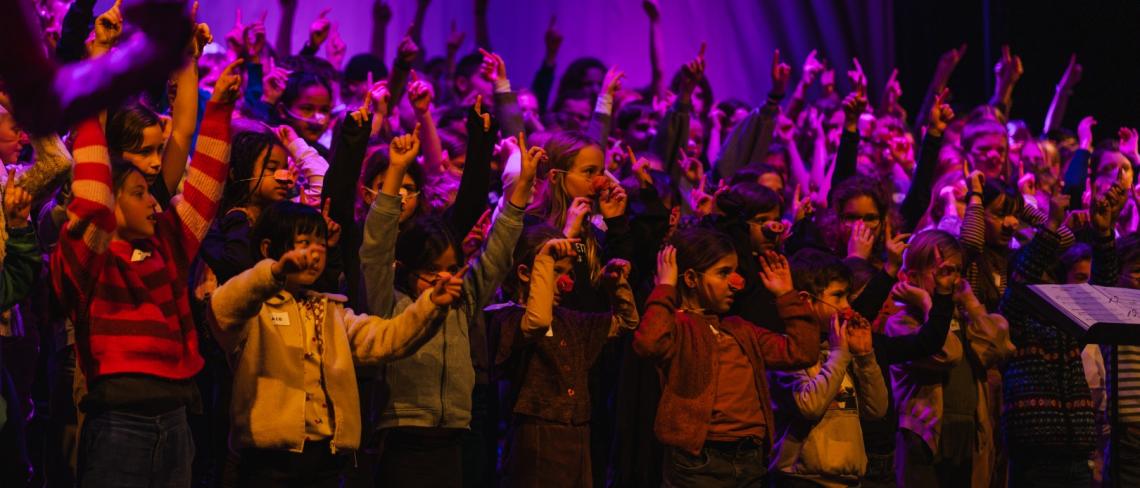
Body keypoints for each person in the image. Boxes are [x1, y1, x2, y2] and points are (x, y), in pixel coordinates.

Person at [50, 62, 238, 488]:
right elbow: (91, 195)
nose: (155, 202)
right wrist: (96, 73)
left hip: (175, 421)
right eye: (139, 194)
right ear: (112, 203)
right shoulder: (90, 262)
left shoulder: (166, 245)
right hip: (120, 426)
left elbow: (205, 189)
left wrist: (219, 109)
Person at [207, 199, 463, 487]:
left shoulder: (331, 312)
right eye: (304, 243)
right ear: (268, 248)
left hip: (325, 464)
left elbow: (387, 338)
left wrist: (432, 305)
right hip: (268, 464)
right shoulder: (254, 311)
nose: (315, 253)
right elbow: (222, 308)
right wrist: (274, 271)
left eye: (321, 245)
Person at [362, 128, 543, 487]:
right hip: (402, 437)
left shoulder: (462, 301)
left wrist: (520, 191)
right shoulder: (388, 302)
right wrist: (396, 171)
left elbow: (497, 252)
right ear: (408, 269)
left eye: (451, 268)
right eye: (432, 271)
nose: (444, 278)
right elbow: (376, 248)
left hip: (455, 436)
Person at [633, 228, 818, 486]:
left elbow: (802, 351)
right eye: (723, 273)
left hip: (750, 458)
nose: (735, 282)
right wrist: (665, 287)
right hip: (700, 462)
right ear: (691, 278)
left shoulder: (740, 329)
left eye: (735, 272)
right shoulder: (678, 327)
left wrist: (786, 295)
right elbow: (648, 343)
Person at [492, 225, 639, 487]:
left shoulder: (569, 320)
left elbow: (626, 322)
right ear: (525, 273)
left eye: (568, 273)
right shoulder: (508, 317)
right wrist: (544, 260)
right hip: (538, 435)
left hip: (578, 434)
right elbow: (537, 322)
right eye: (555, 271)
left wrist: (615, 285)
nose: (565, 283)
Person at [886, 230, 1013, 487]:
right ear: (912, 277)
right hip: (925, 437)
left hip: (967, 435)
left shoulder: (964, 319)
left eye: (955, 271)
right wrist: (928, 304)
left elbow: (999, 347)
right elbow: (947, 354)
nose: (951, 280)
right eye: (942, 272)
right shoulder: (902, 323)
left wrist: (971, 302)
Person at [769, 250, 888, 487]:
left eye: (848, 297)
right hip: (803, 479)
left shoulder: (838, 351)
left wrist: (865, 356)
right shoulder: (787, 351)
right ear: (806, 300)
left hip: (847, 479)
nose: (847, 306)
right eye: (838, 296)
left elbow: (876, 410)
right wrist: (839, 354)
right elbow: (810, 407)